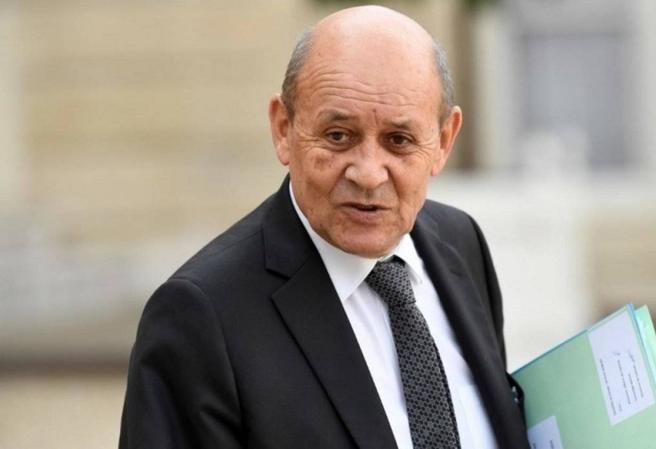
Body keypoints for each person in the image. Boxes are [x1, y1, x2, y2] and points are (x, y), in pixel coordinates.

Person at [119, 5, 528, 449]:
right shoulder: (200, 317)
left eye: (398, 141)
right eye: (338, 136)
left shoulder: (460, 243)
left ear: (444, 141)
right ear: (283, 129)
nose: (368, 174)